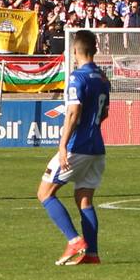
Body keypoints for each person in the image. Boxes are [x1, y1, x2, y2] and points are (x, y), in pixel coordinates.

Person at [39, 30, 109, 266]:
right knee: (84, 199)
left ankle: (74, 240)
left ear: (75, 51)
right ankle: (92, 254)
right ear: (94, 50)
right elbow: (105, 112)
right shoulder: (102, 77)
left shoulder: (76, 77)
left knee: (45, 193)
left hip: (76, 146)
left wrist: (62, 147)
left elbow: (72, 113)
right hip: (97, 147)